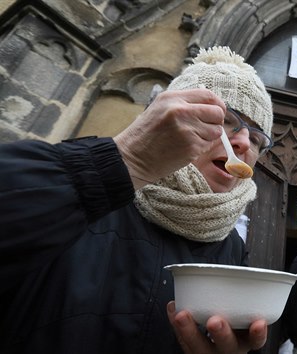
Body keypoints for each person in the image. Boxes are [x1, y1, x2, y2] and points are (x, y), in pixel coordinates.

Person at [0, 46, 274, 354]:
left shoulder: (232, 245)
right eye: (227, 119)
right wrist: (124, 160)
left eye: (256, 137)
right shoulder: (86, 195)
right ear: (168, 119)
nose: (242, 141)